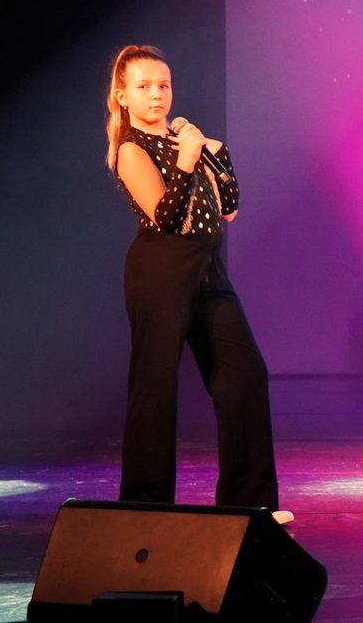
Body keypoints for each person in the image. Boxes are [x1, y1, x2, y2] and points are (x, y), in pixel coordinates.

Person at [105, 45, 287, 523]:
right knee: (155, 384)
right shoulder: (131, 149)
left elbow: (229, 210)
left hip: (207, 269)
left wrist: (216, 157)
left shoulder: (184, 141)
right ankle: (146, 506)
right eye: (144, 87)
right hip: (160, 270)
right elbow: (165, 218)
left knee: (245, 375)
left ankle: (250, 503)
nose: (156, 95)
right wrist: (186, 161)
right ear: (123, 96)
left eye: (163, 85)